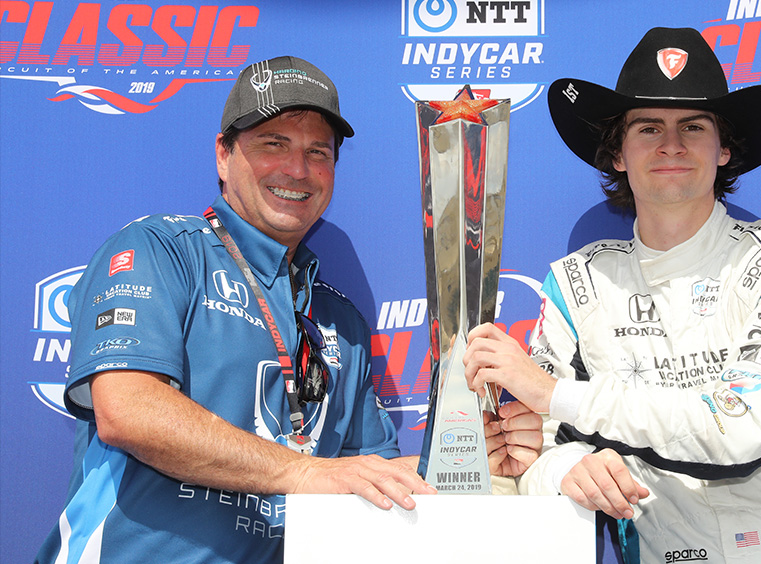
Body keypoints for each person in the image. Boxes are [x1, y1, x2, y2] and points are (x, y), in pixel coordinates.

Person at [463, 28, 761, 563]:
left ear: (724, 149)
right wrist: (567, 468)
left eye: (693, 126)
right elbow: (533, 455)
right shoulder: (575, 283)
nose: (670, 144)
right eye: (648, 127)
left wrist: (552, 394)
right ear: (618, 154)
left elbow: (740, 429)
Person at [36, 55, 452, 563]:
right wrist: (303, 472)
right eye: (273, 143)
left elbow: (374, 475)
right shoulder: (162, 250)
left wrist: (472, 454)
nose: (297, 170)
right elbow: (128, 411)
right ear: (223, 154)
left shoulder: (342, 324)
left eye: (317, 152)